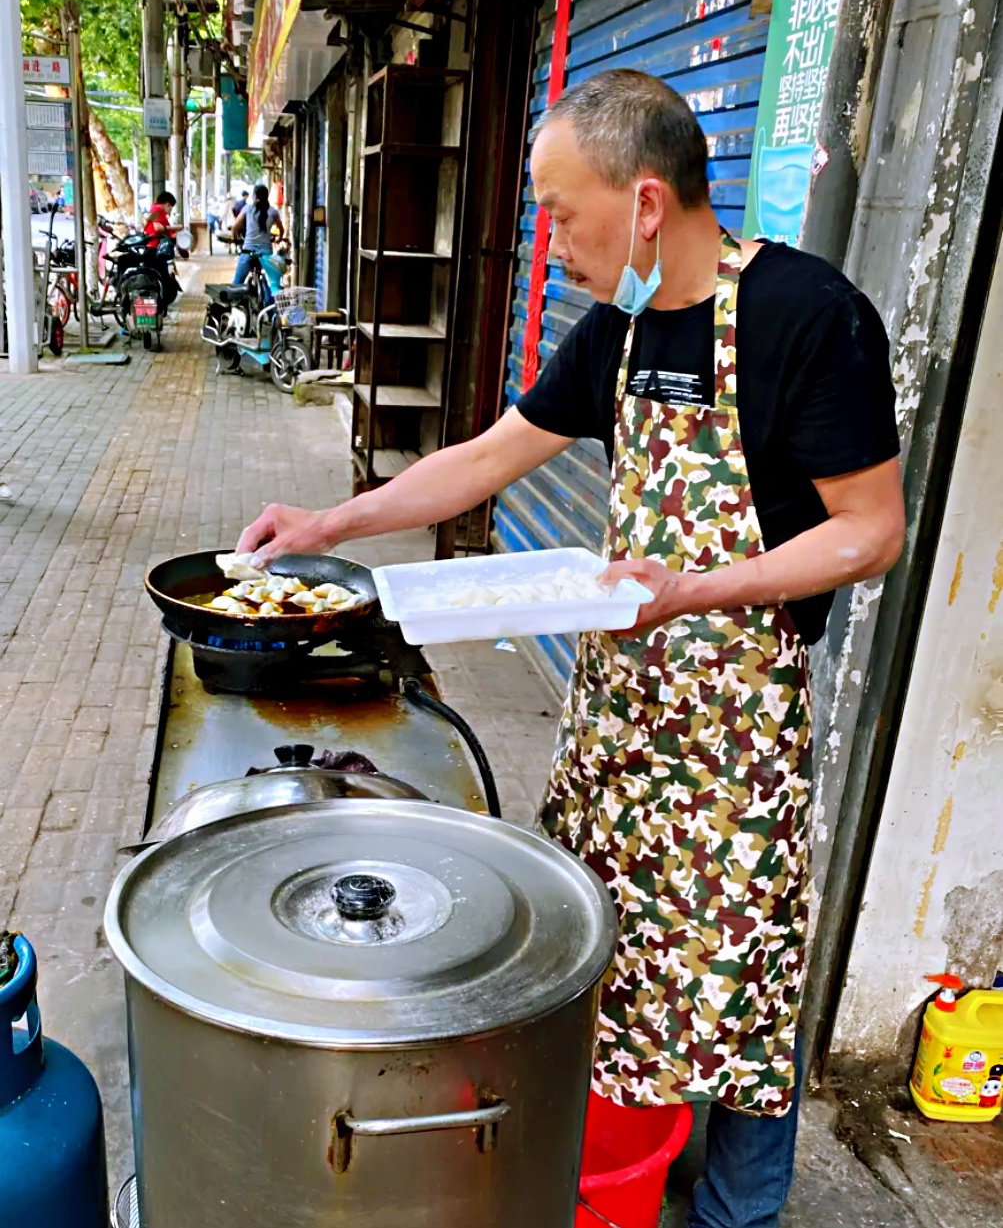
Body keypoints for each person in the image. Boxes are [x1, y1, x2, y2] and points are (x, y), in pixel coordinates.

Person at [235, 70, 905, 1228]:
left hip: (732, 740)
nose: (550, 246)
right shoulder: (621, 330)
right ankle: (620, 1160)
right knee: (612, 957)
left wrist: (696, 588)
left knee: (739, 972)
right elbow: (491, 456)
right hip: (617, 720)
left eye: (560, 211)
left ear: (645, 203)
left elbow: (870, 530)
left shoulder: (807, 316)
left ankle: (738, 1208)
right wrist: (330, 522)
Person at [232, 184, 284, 289]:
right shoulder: (273, 211)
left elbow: (235, 227)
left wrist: (235, 239)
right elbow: (281, 230)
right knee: (273, 283)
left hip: (248, 250)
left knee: (237, 282)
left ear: (254, 196)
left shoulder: (247, 209)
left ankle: (236, 301)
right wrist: (279, 239)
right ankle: (270, 302)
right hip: (266, 252)